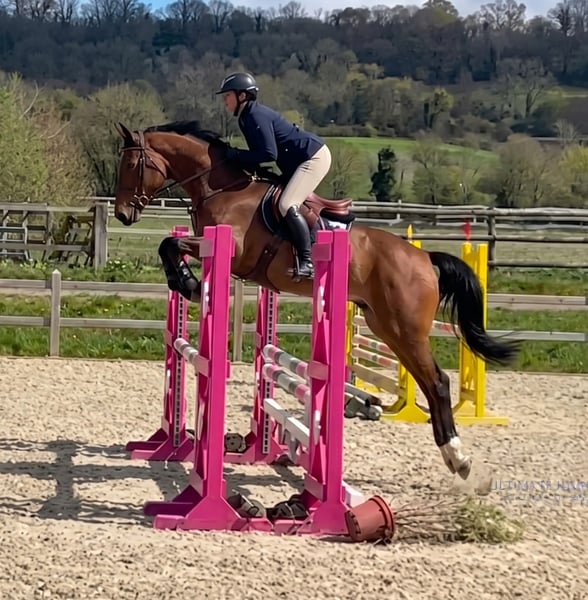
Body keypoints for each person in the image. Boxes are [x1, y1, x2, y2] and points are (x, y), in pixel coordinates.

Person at [215, 71, 332, 280]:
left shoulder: (255, 116)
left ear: (242, 96)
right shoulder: (246, 117)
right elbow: (259, 155)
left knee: (287, 204)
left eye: (228, 95)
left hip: (312, 157)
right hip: (294, 163)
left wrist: (236, 155)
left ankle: (307, 261)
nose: (225, 100)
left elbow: (269, 154)